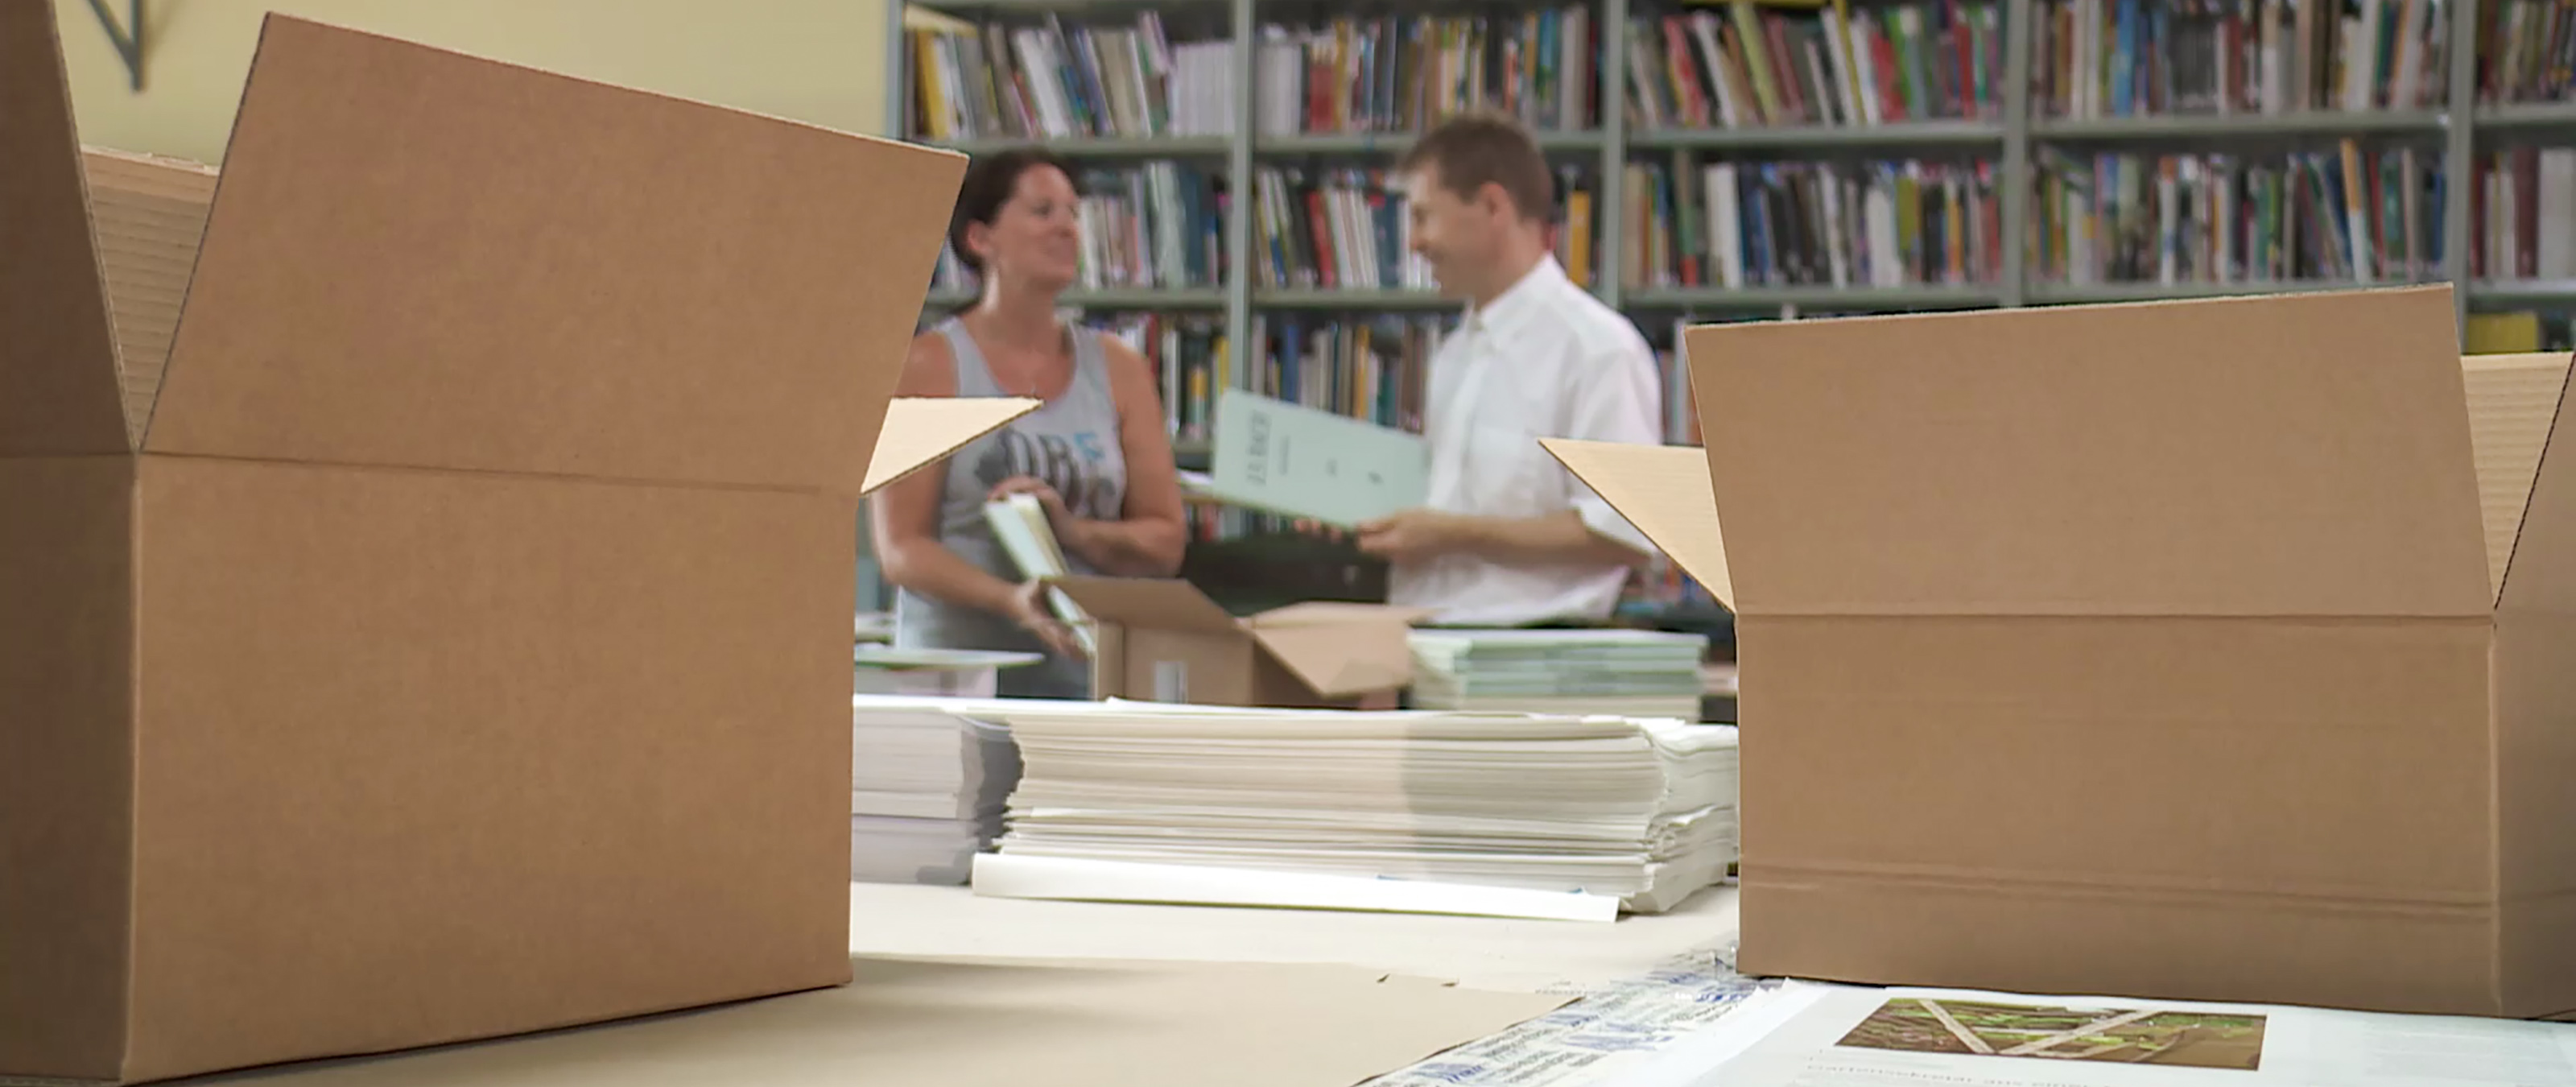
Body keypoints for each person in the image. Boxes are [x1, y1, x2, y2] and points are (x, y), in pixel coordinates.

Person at [872, 148, 1189, 697]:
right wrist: (1013, 599)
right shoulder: (925, 367)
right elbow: (902, 549)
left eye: (1072, 213)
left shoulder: (1119, 369)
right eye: (1042, 211)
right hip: (958, 678)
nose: (1067, 228)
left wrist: (1072, 531)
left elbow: (1165, 540)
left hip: (1087, 679)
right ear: (981, 238)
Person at [1331, 112, 1665, 627]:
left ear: (1492, 207)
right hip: (1423, 646)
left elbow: (1624, 533)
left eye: (1424, 217)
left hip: (1534, 660)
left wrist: (1457, 534)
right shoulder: (1455, 353)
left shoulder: (1597, 350)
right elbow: (1444, 506)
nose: (1415, 243)